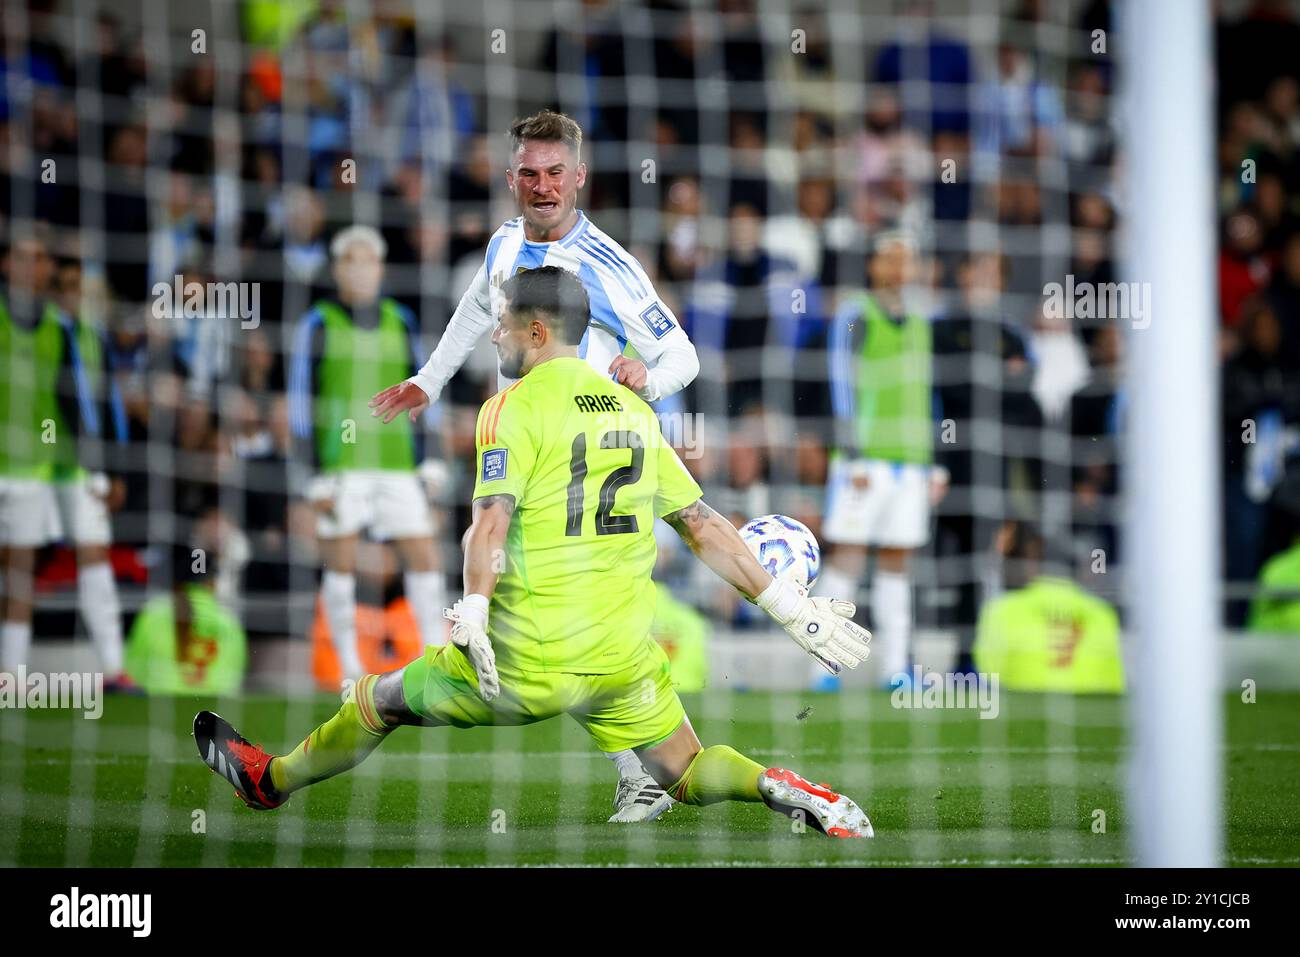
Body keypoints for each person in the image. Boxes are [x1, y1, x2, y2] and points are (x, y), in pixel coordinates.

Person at [197, 266, 874, 838]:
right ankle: (774, 784)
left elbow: (489, 523)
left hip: (526, 658)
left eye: (504, 324)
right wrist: (791, 608)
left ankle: (270, 780)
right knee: (687, 768)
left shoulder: (511, 407)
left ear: (537, 331)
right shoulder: (634, 408)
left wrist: (473, 610)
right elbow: (700, 522)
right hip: (622, 655)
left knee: (379, 698)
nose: (495, 335)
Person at [369, 110, 701, 822]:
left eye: (556, 173)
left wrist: (643, 380)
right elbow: (472, 311)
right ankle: (648, 766)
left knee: (554, 619)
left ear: (579, 176)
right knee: (549, 621)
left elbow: (684, 355)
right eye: (530, 173)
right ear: (511, 175)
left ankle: (650, 768)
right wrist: (427, 381)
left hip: (577, 467)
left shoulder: (609, 264)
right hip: (517, 453)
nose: (543, 186)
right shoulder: (502, 245)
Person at [287, 226, 449, 684]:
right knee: (339, 561)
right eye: (351, 261)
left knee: (423, 554)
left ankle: (437, 661)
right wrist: (309, 475)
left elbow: (423, 389)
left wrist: (430, 457)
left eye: (369, 261)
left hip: (398, 463)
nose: (361, 270)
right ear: (338, 268)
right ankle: (349, 670)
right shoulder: (316, 323)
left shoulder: (402, 320)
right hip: (341, 467)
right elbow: (302, 400)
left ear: (380, 268)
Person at [817, 231, 946, 689]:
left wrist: (935, 463)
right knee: (847, 559)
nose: (897, 268)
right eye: (888, 258)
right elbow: (840, 378)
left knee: (897, 565)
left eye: (905, 259)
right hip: (864, 460)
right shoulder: (857, 313)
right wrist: (850, 451)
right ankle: (823, 667)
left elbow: (927, 391)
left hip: (911, 463)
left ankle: (896, 670)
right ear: (872, 266)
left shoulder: (923, 321)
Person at [0, 232, 128, 686]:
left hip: (70, 464)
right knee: (19, 567)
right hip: (16, 466)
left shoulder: (74, 332)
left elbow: (93, 405)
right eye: (23, 257)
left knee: (94, 551)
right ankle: (11, 678)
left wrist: (105, 467)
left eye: (40, 259)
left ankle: (114, 669)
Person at [973, 522, 1124, 693]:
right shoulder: (1102, 613)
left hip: (1022, 711)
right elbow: (1114, 685)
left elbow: (986, 673)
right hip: (1089, 713)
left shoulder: (1000, 610)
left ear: (1034, 564)